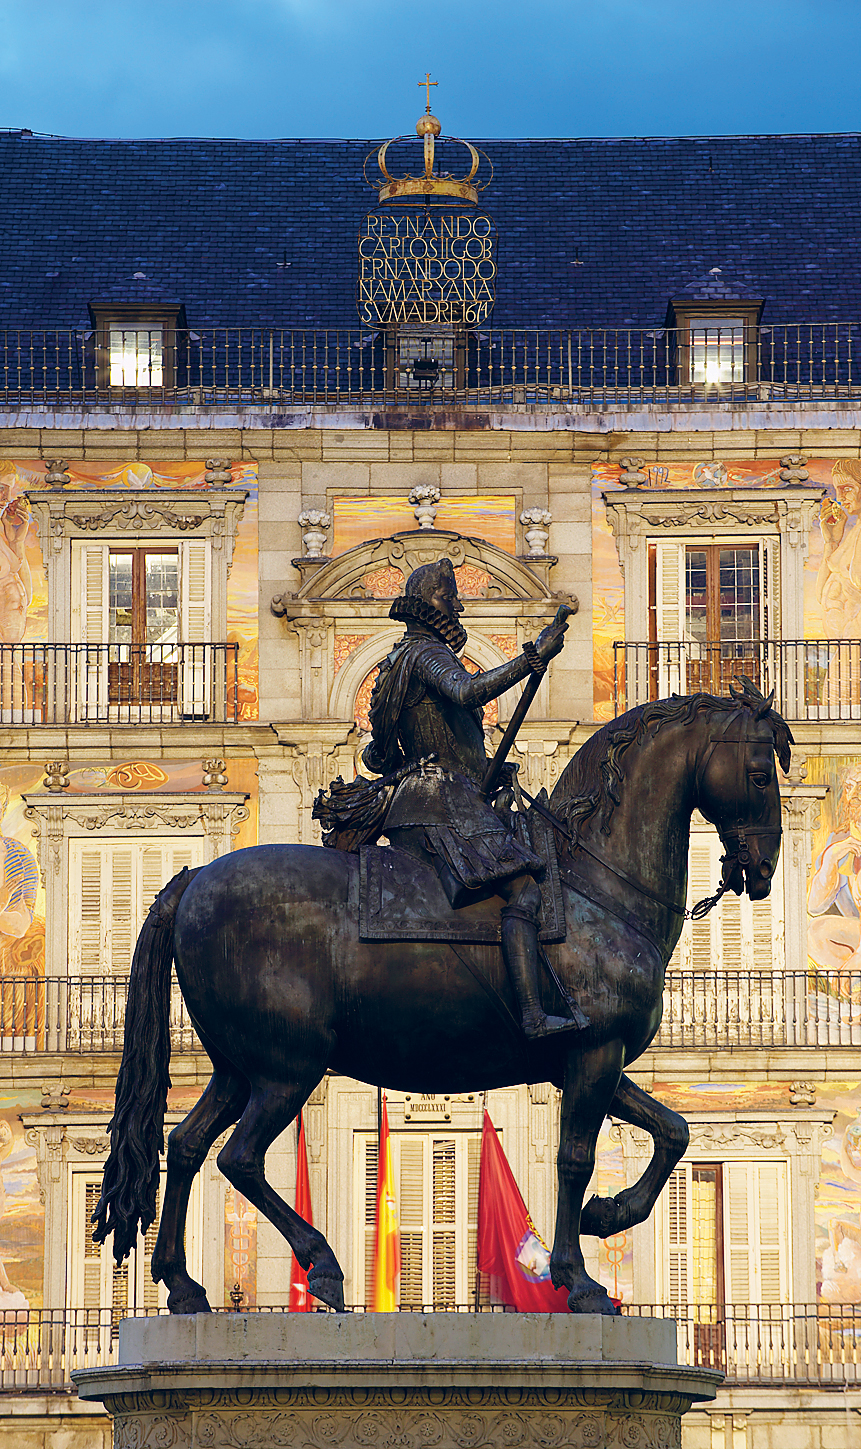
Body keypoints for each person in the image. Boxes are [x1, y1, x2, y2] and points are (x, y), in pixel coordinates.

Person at [361, 558, 582, 1040]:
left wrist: (484, 770)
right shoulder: (426, 654)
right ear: (427, 606)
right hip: (443, 804)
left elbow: (378, 754)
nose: (458, 606)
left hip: (414, 803)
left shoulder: (394, 663)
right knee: (524, 889)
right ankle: (530, 1014)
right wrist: (531, 658)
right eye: (449, 598)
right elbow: (465, 692)